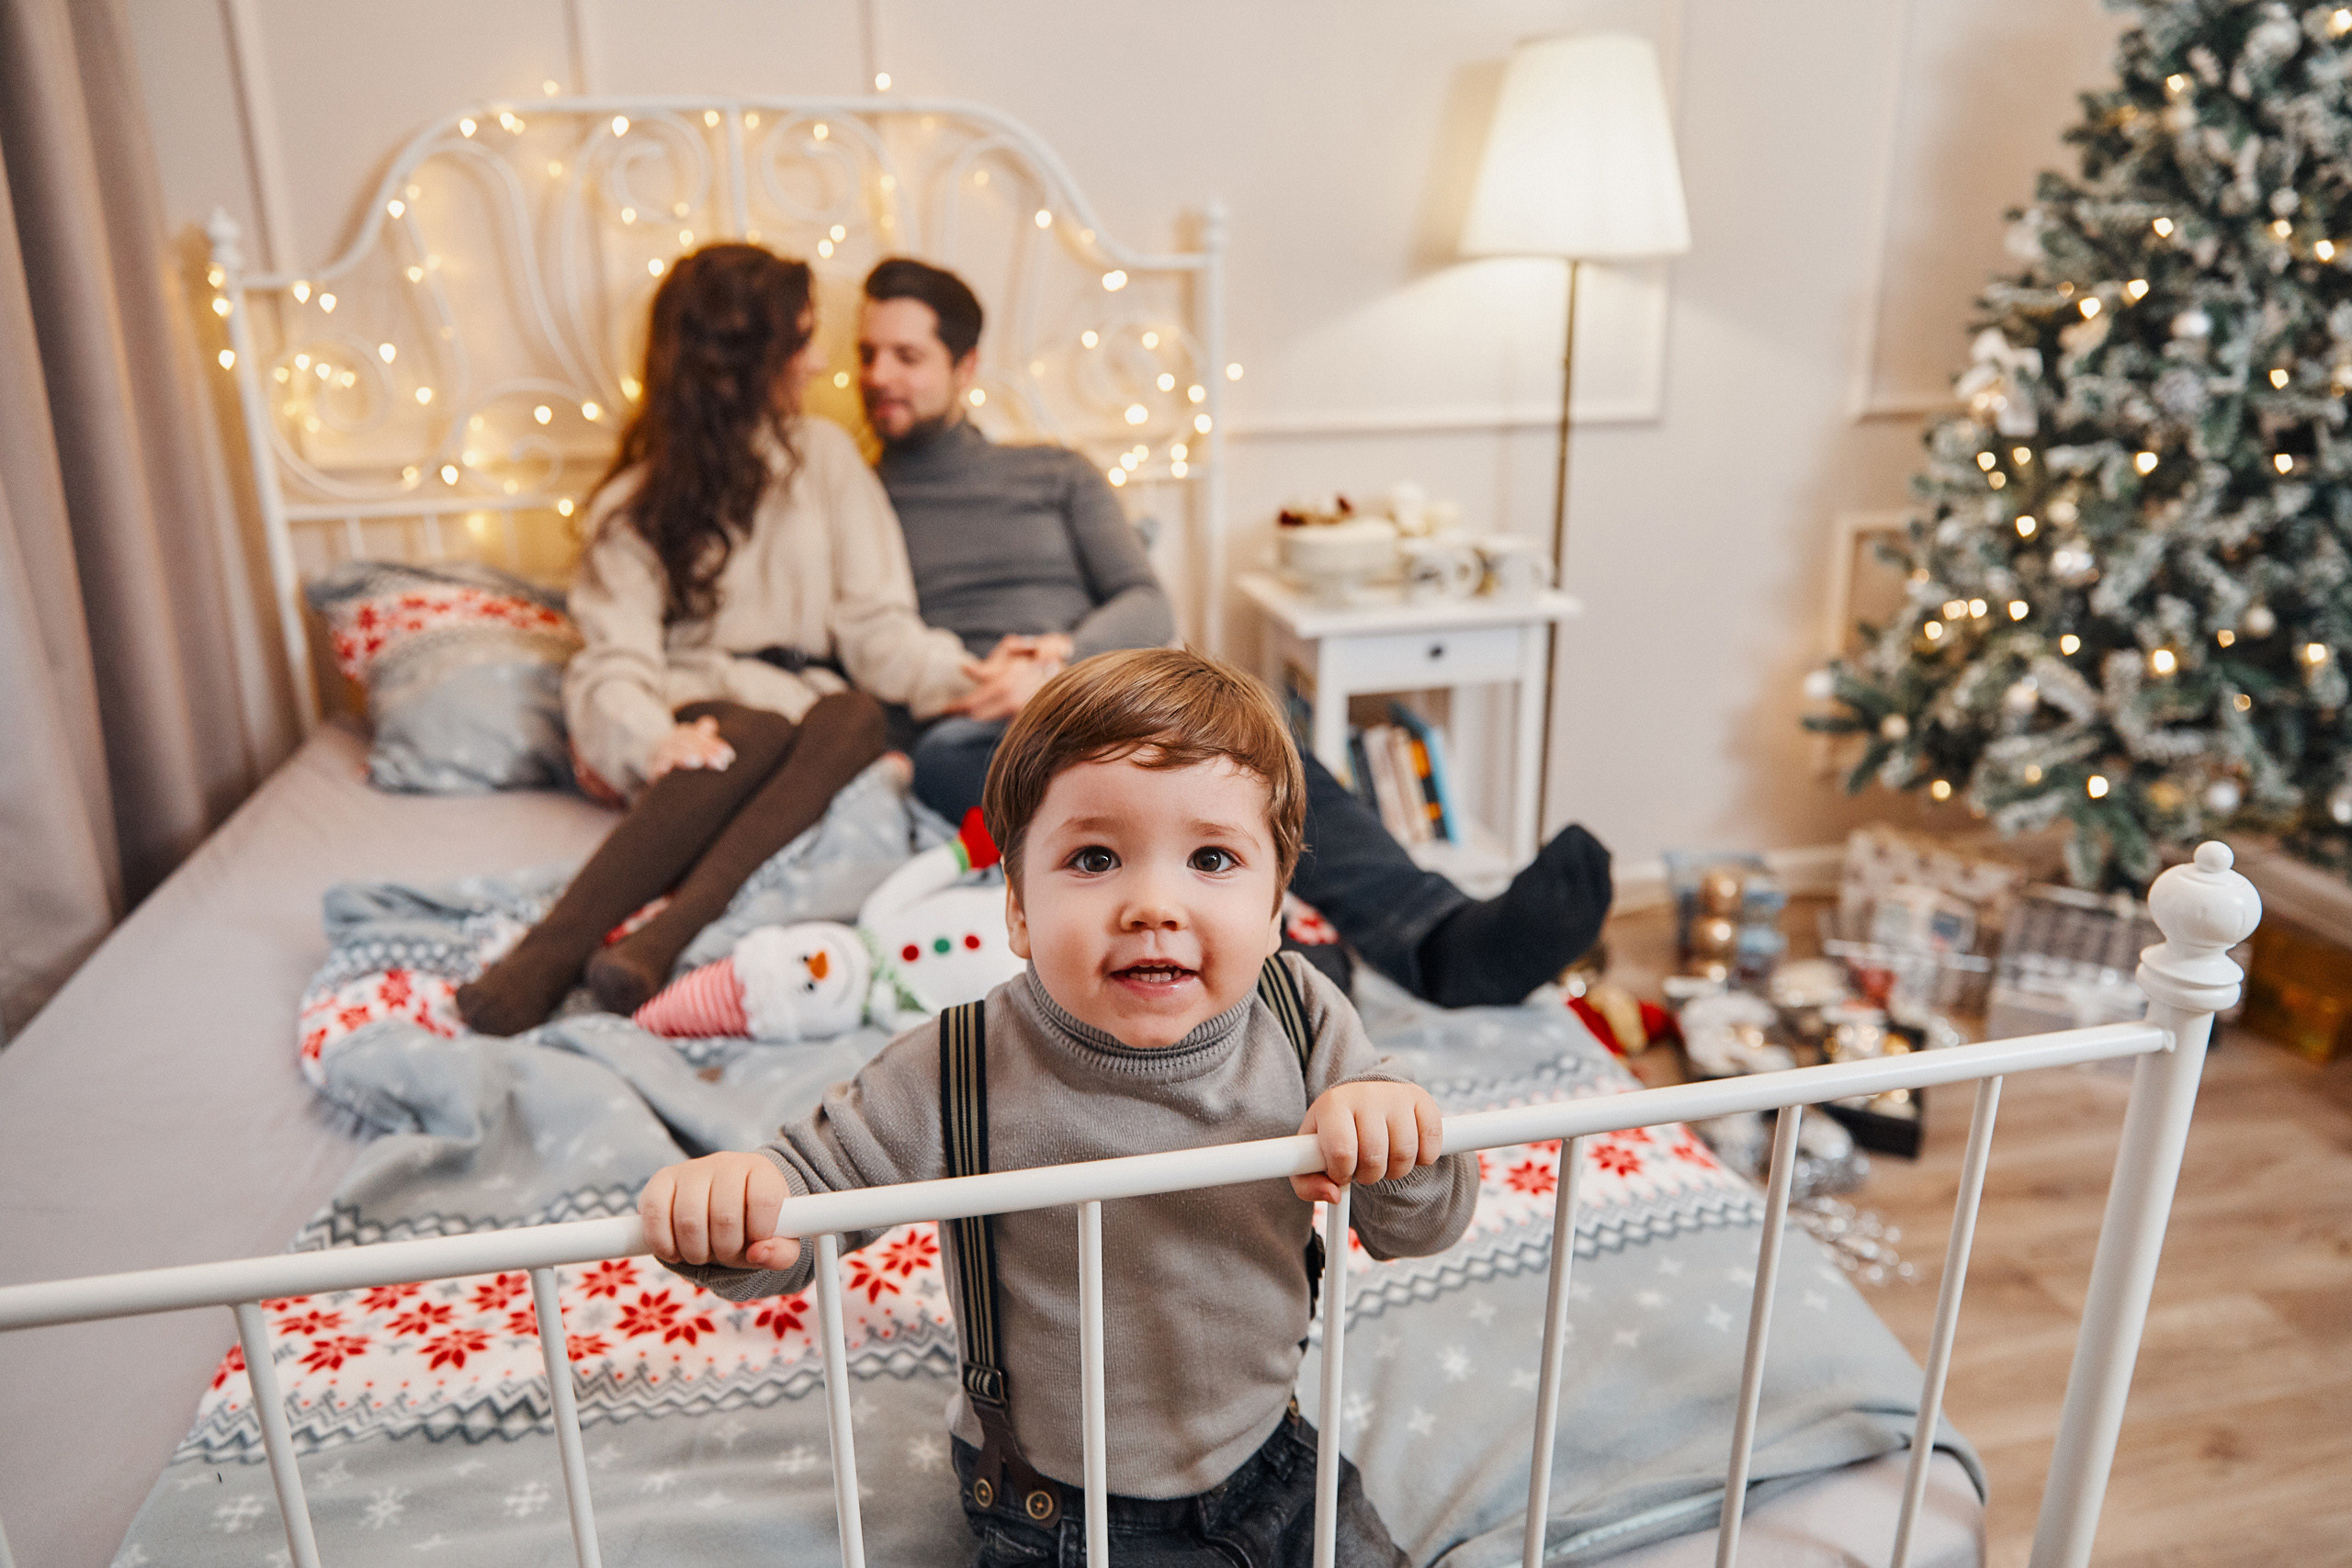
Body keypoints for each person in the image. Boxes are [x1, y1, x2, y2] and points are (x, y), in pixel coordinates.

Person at [641, 648, 1475, 1566]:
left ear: (1277, 907)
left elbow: (1421, 1223)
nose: (1153, 905)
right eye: (1094, 858)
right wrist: (733, 1209)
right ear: (1018, 911)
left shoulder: (1302, 1014)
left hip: (1270, 1459)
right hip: (1055, 1510)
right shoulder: (958, 1064)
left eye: (1211, 858)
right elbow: (805, 1201)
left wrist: (1390, 1132)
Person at [859, 256, 1613, 1007]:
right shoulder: (854, 500)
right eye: (866, 354)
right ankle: (1272, 962)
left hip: (1102, 686)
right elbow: (862, 640)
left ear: (965, 365)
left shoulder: (1055, 473)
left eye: (906, 356)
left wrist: (1061, 667)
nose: (878, 375)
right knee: (968, 767)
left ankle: (1439, 939)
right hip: (974, 726)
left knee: (1249, 738)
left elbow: (1144, 600)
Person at [456, 245, 988, 1035]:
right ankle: (545, 956)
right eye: (801, 340)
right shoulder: (634, 505)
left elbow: (879, 628)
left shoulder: (827, 459)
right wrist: (652, 739)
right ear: (745, 359)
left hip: (812, 722)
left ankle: (658, 939)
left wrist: (976, 678)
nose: (820, 363)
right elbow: (614, 662)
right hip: (703, 718)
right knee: (757, 729)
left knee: (855, 715)